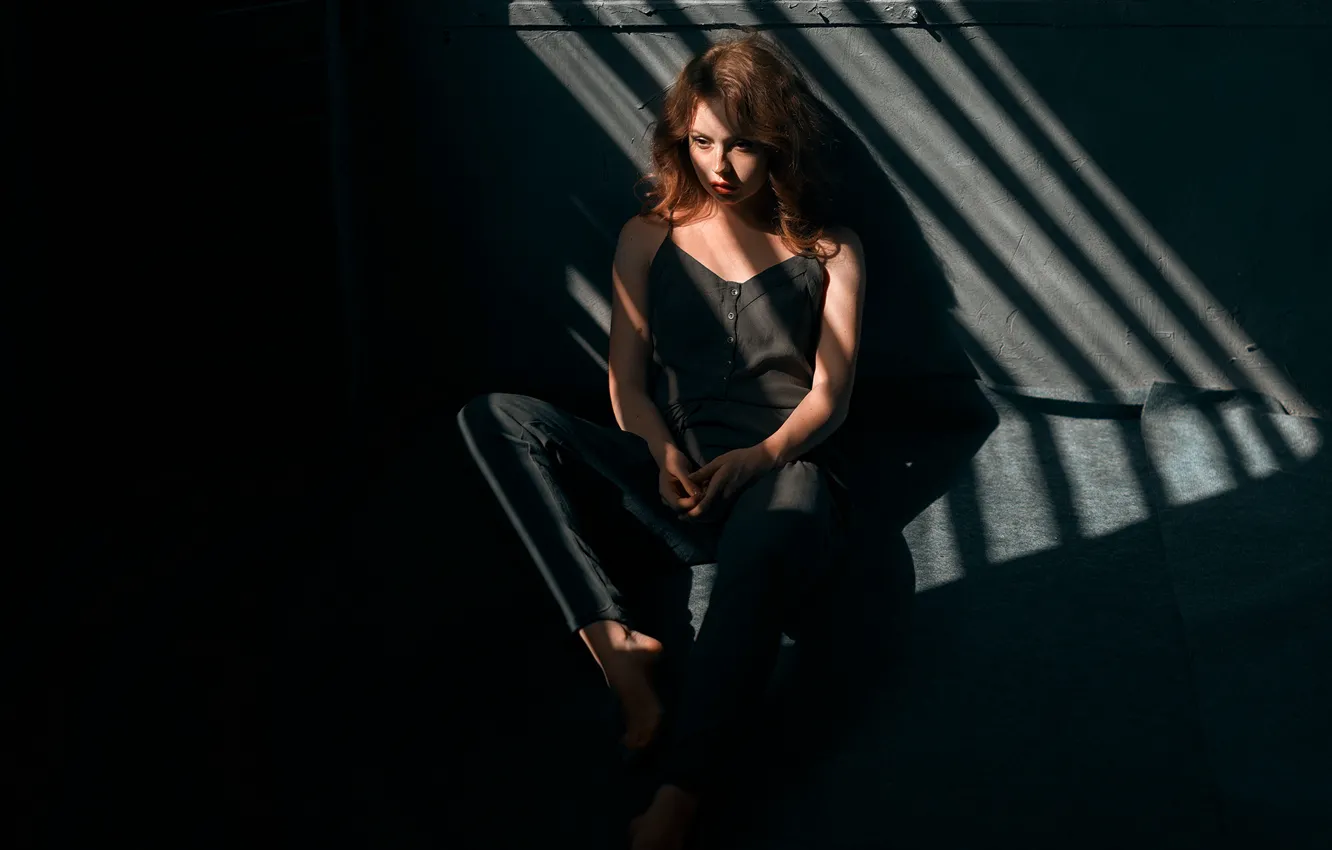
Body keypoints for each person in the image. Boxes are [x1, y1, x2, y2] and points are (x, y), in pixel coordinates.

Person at [456, 31, 866, 850]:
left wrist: (757, 458)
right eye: (704, 140)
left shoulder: (831, 249)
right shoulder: (647, 236)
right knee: (495, 415)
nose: (720, 163)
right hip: (667, 481)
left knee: (799, 497)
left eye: (742, 144)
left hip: (774, 479)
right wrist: (659, 452)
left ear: (775, 142)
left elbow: (833, 396)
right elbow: (626, 384)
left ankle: (683, 790)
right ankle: (614, 641)